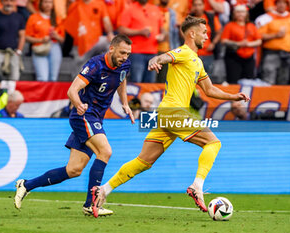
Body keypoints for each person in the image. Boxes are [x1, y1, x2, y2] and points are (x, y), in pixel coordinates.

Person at [91, 16, 250, 218]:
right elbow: (163, 57)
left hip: (166, 115)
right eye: (204, 32)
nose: (207, 36)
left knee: (144, 161)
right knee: (214, 143)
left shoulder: (197, 61)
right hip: (175, 112)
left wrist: (233, 96)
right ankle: (197, 185)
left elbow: (209, 90)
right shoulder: (183, 52)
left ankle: (104, 190)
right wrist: (154, 60)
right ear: (192, 33)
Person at [14, 35, 135, 217]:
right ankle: (92, 203)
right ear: (111, 48)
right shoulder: (95, 65)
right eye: (122, 52)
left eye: (128, 53)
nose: (125, 57)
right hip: (84, 115)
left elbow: (121, 80)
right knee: (105, 151)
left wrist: (125, 103)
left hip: (96, 118)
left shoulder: (124, 65)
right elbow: (72, 90)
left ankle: (26, 185)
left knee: (73, 170)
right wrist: (78, 104)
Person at [118, 0, 166, 83]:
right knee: (136, 82)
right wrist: (140, 32)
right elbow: (121, 29)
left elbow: (163, 29)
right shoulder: (130, 9)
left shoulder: (155, 9)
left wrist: (162, 36)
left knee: (150, 83)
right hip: (136, 52)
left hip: (153, 52)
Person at [256, 0, 290, 85]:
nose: (282, 5)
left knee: (284, 80)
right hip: (271, 53)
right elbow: (259, 36)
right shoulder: (267, 18)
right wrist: (275, 35)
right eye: (279, 3)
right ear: (275, 4)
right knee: (269, 79)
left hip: (287, 54)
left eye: (284, 3)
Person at [221, 5, 262, 84]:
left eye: (242, 12)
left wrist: (248, 44)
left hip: (249, 57)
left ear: (246, 14)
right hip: (234, 56)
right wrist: (239, 44)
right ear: (234, 14)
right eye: (238, 12)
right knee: (233, 80)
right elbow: (224, 41)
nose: (240, 14)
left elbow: (259, 40)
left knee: (249, 81)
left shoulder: (251, 26)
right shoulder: (230, 25)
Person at [25, 0, 65, 81]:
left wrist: (55, 35)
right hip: (39, 47)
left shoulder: (57, 18)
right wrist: (41, 40)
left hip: (54, 46)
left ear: (53, 5)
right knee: (42, 78)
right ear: (41, 4)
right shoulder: (34, 17)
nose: (47, 5)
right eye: (45, 2)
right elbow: (27, 37)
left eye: (50, 2)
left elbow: (62, 39)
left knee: (53, 78)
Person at [191, 0, 222, 75]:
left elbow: (219, 32)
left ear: (204, 6)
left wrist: (213, 44)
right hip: (193, 54)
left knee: (208, 78)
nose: (197, 7)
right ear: (192, 6)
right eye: (195, 5)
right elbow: (183, 32)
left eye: (199, 5)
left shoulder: (210, 17)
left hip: (208, 53)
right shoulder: (189, 18)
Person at [0, 0, 25, 81]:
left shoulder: (19, 17)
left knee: (15, 77)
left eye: (11, 1)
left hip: (13, 52)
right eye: (6, 1)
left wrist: (19, 51)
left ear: (15, 3)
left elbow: (22, 35)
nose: (9, 3)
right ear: (1, 2)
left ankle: (11, 93)